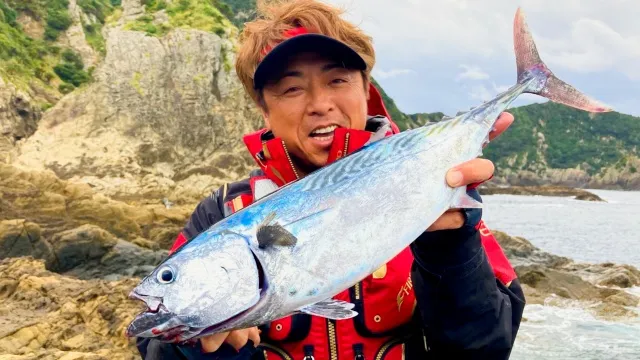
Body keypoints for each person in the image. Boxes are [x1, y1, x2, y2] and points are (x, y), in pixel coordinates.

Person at [136, 0, 526, 358]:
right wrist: (203, 351)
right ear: (264, 109)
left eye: (337, 80)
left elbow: (486, 349)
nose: (320, 104)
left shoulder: (432, 190)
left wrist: (452, 243)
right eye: (291, 88)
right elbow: (154, 349)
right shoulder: (222, 212)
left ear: (366, 90)